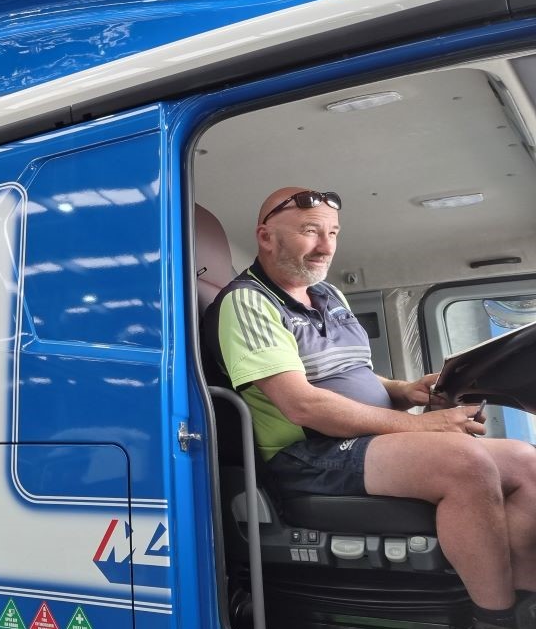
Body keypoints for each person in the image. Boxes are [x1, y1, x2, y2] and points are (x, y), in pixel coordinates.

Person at [204, 187, 536, 629]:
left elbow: (353, 374)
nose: (326, 246)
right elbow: (301, 404)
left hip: (362, 442)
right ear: (266, 237)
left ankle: (525, 595)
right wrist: (422, 427)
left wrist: (403, 390)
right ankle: (496, 618)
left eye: (333, 233)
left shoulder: (328, 296)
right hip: (306, 454)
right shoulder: (246, 302)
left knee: (525, 461)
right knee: (465, 462)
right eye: (310, 232)